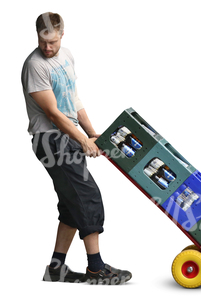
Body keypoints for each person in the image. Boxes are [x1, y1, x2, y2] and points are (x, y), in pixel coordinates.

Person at [21, 12, 132, 285]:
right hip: (51, 140)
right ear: (37, 35)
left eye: (53, 42)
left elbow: (73, 99)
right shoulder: (35, 66)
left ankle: (56, 269)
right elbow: (54, 114)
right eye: (42, 41)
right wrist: (83, 141)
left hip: (65, 137)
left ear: (61, 35)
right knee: (88, 196)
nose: (48, 48)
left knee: (72, 204)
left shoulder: (66, 56)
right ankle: (96, 268)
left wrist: (92, 132)